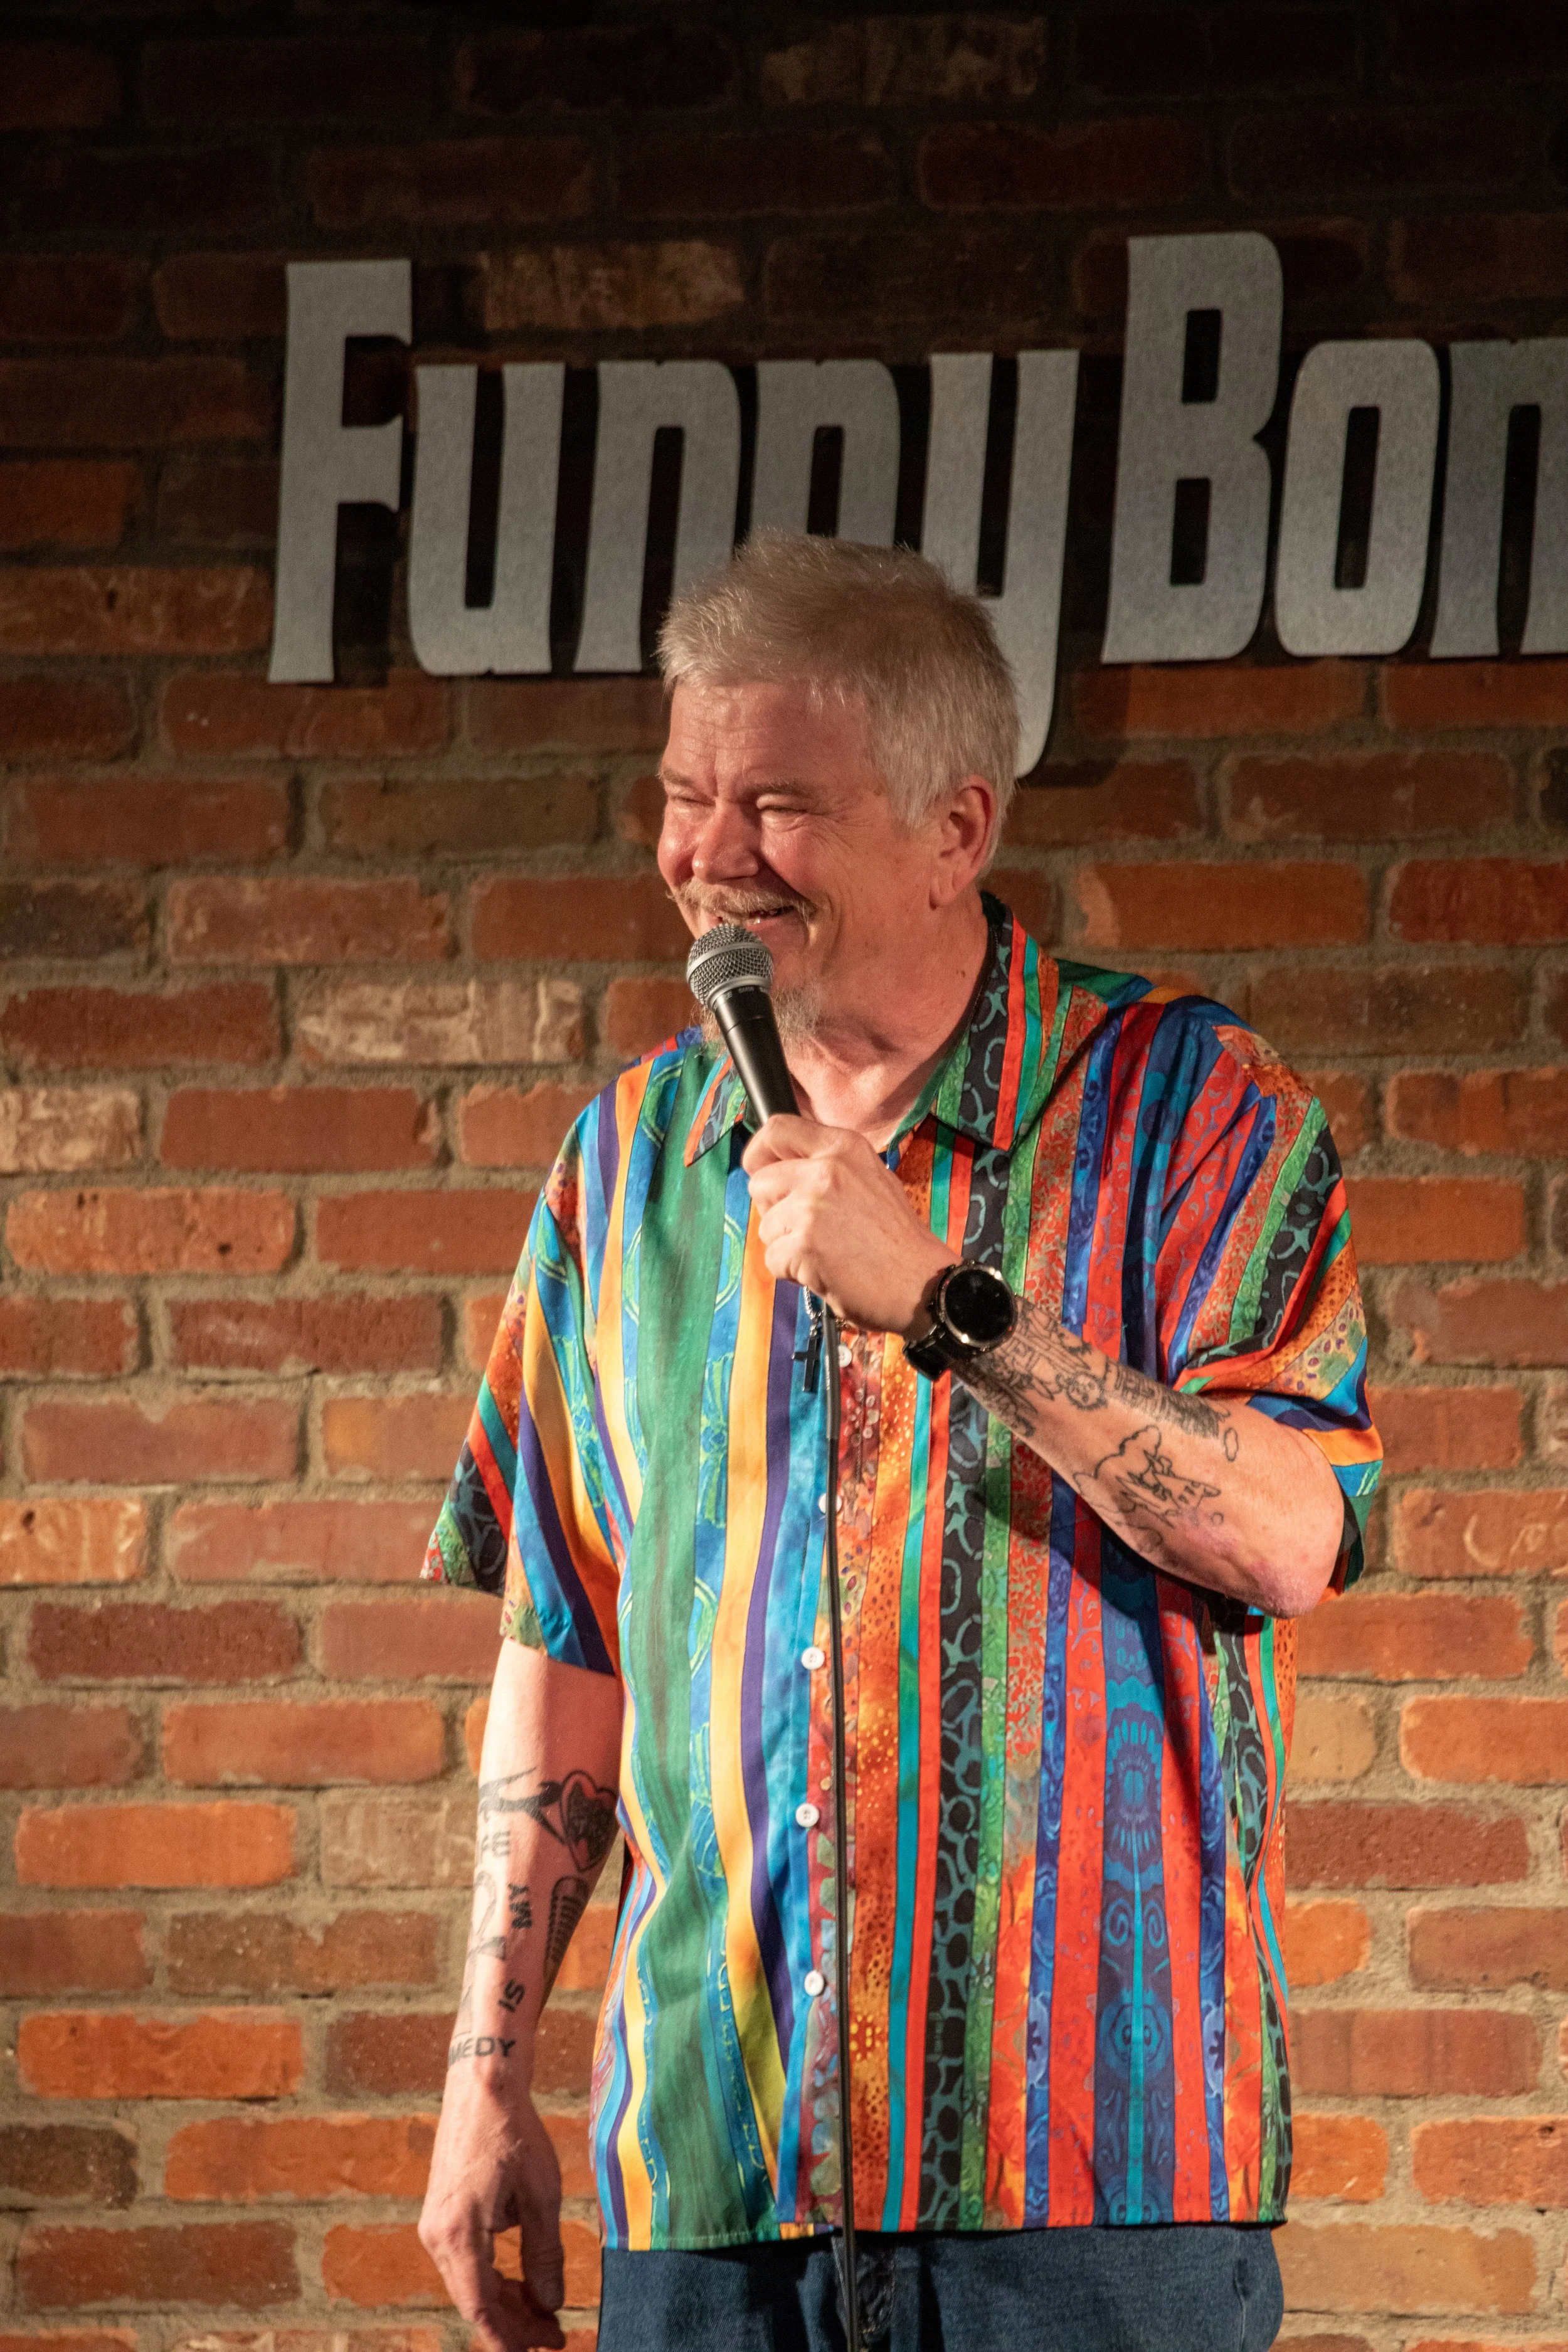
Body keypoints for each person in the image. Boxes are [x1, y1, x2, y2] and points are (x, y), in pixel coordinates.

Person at [416, 532, 1382, 2352]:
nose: (706, 856)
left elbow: (1287, 1535)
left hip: (1092, 2196)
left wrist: (944, 1298)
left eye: (774, 803)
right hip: (712, 2181)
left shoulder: (1194, 1110)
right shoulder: (625, 1168)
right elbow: (566, 1643)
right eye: (683, 796)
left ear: (956, 829)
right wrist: (487, 2080)